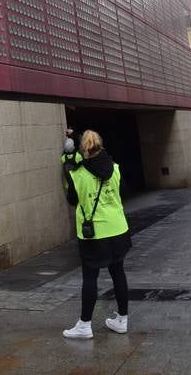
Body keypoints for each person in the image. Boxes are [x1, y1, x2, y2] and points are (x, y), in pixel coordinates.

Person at [62, 129, 132, 340]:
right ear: (101, 146)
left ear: (84, 149)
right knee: (118, 272)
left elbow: (73, 200)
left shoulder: (77, 174)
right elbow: (125, 194)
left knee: (90, 277)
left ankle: (84, 325)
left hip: (94, 234)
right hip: (118, 229)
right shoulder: (116, 169)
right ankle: (122, 319)